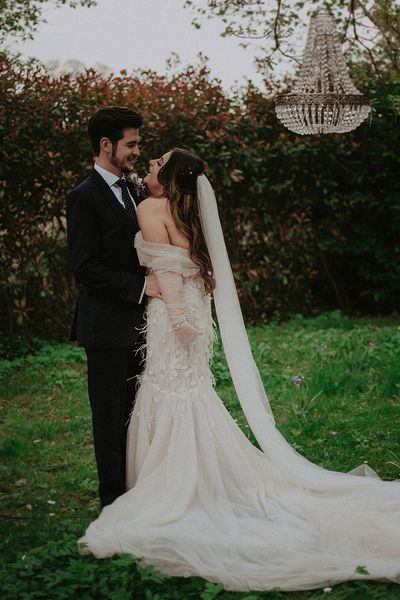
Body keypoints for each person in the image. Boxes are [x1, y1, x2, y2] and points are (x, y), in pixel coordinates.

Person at [79, 148, 400, 592]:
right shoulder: (187, 211)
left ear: (168, 178)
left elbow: (167, 271)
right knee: (191, 390)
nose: (150, 164)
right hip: (195, 311)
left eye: (157, 164)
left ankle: (171, 483)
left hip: (174, 317)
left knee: (169, 389)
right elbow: (193, 266)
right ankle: (203, 475)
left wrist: (176, 318)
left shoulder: (153, 208)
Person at [66, 106, 161, 509]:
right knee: (109, 419)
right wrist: (142, 286)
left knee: (138, 415)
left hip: (142, 326)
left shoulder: (137, 190)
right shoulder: (83, 197)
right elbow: (85, 268)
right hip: (105, 328)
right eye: (131, 144)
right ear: (106, 145)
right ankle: (113, 504)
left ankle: (140, 490)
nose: (138, 151)